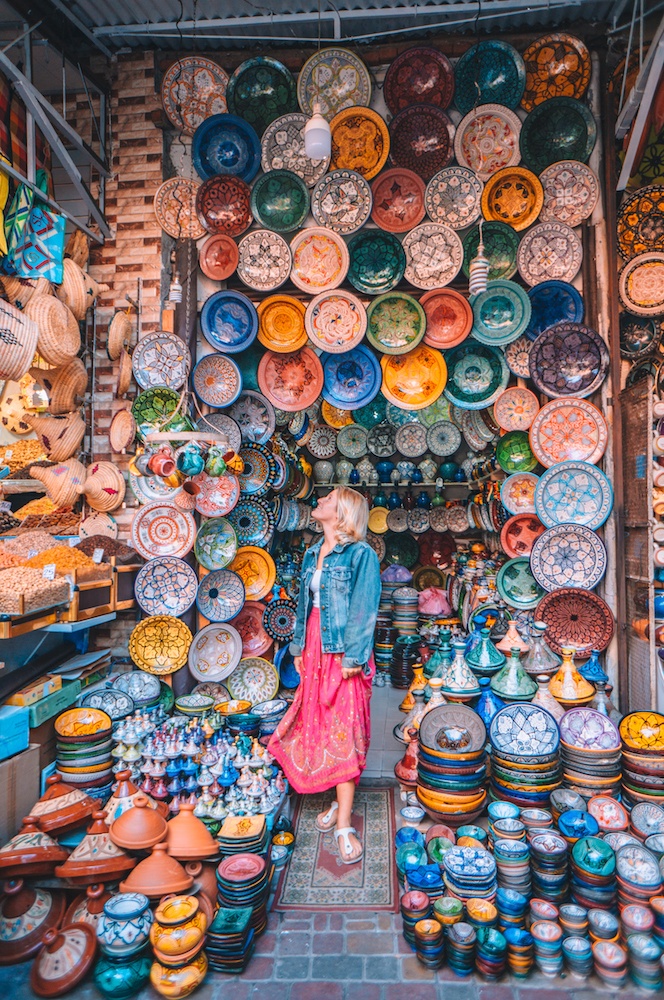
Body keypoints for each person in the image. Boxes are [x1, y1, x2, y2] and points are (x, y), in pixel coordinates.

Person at [268, 486, 380, 864]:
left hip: (343, 649)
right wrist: (299, 648)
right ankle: (337, 798)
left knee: (346, 727)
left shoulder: (361, 554)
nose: (319, 501)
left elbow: (365, 608)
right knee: (319, 721)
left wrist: (353, 656)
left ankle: (344, 822)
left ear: (342, 511)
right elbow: (305, 607)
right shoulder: (314, 551)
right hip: (315, 646)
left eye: (328, 498)